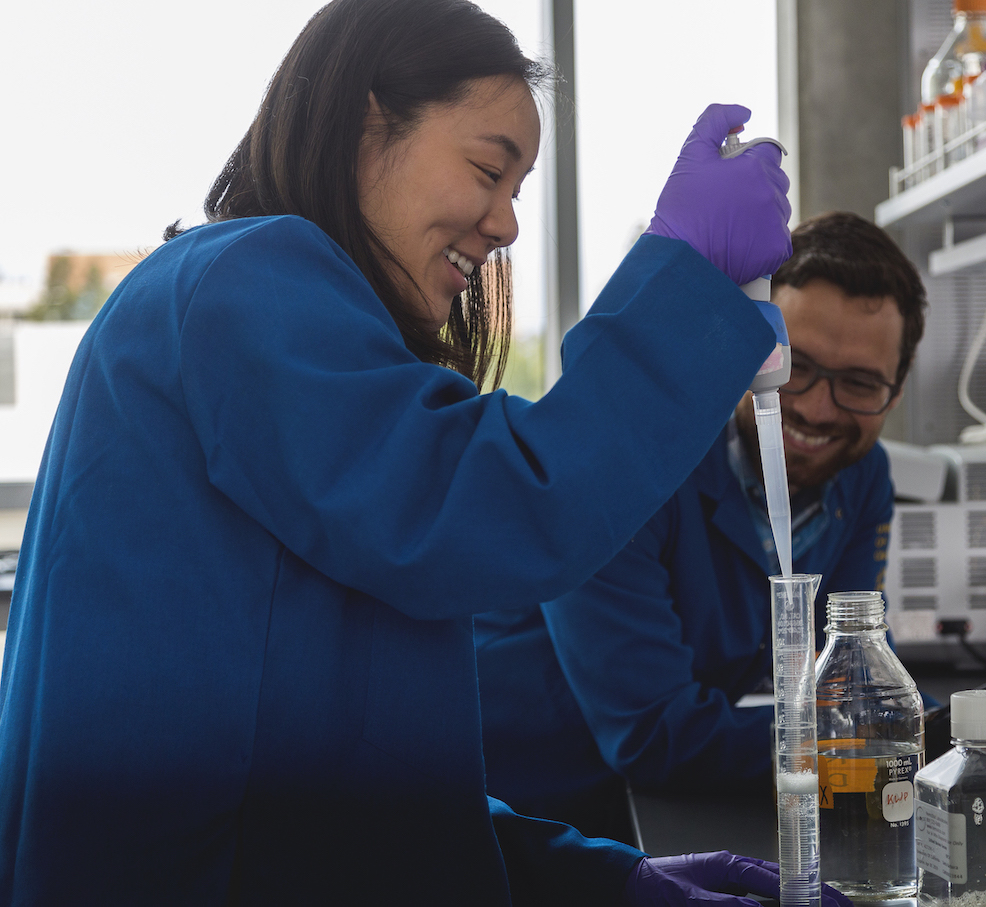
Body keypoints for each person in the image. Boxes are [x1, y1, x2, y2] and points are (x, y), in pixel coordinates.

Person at [0, 2, 856, 905]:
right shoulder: (245, 282)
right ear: (370, 119)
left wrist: (610, 879)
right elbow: (502, 506)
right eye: (490, 169)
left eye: (520, 190)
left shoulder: (291, 336)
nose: (507, 226)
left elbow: (357, 792)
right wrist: (681, 275)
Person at [476, 211, 930, 840]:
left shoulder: (860, 474)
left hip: (659, 804)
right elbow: (655, 731)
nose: (817, 410)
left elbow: (852, 675)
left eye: (858, 383)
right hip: (518, 801)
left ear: (897, 390)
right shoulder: (630, 458)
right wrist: (915, 740)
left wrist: (944, 726)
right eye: (793, 366)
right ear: (746, 341)